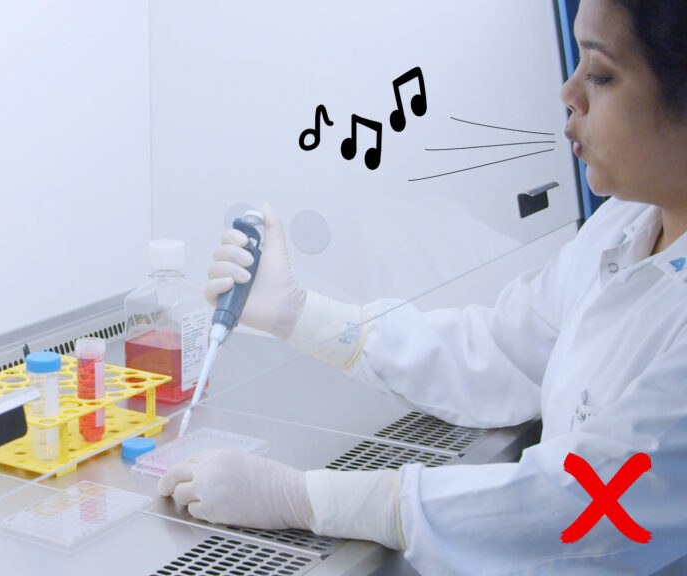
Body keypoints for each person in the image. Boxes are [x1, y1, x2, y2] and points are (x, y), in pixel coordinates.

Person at [158, 0, 687, 573]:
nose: (569, 92)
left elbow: (580, 502)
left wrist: (303, 498)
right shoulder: (624, 224)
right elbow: (502, 349)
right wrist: (302, 316)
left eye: (601, 74)